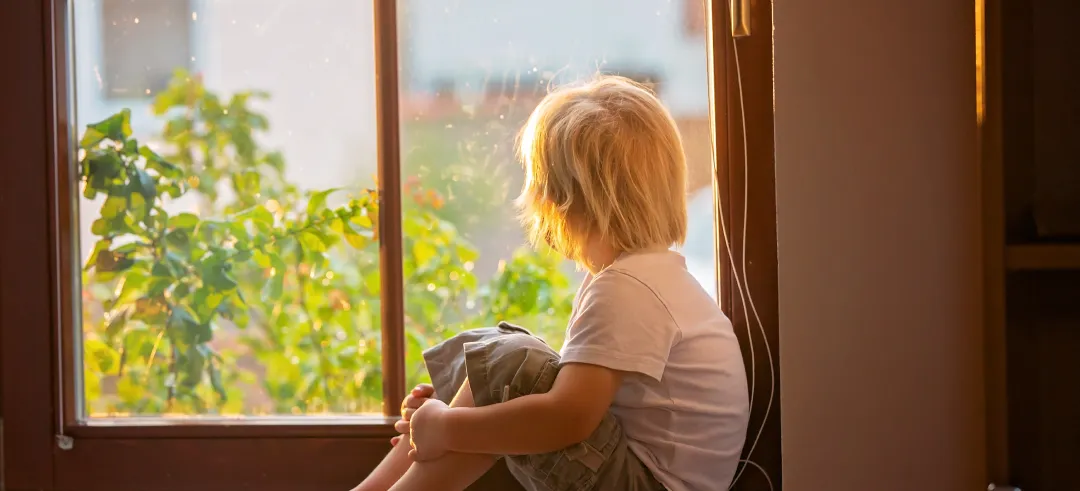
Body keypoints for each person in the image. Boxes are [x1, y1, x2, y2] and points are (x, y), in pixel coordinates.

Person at [352, 75, 749, 491]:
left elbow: (568, 417)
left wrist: (449, 428)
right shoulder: (656, 279)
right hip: (641, 475)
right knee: (505, 370)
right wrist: (444, 419)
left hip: (644, 484)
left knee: (511, 363)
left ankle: (427, 440)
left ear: (560, 202)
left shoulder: (626, 289)